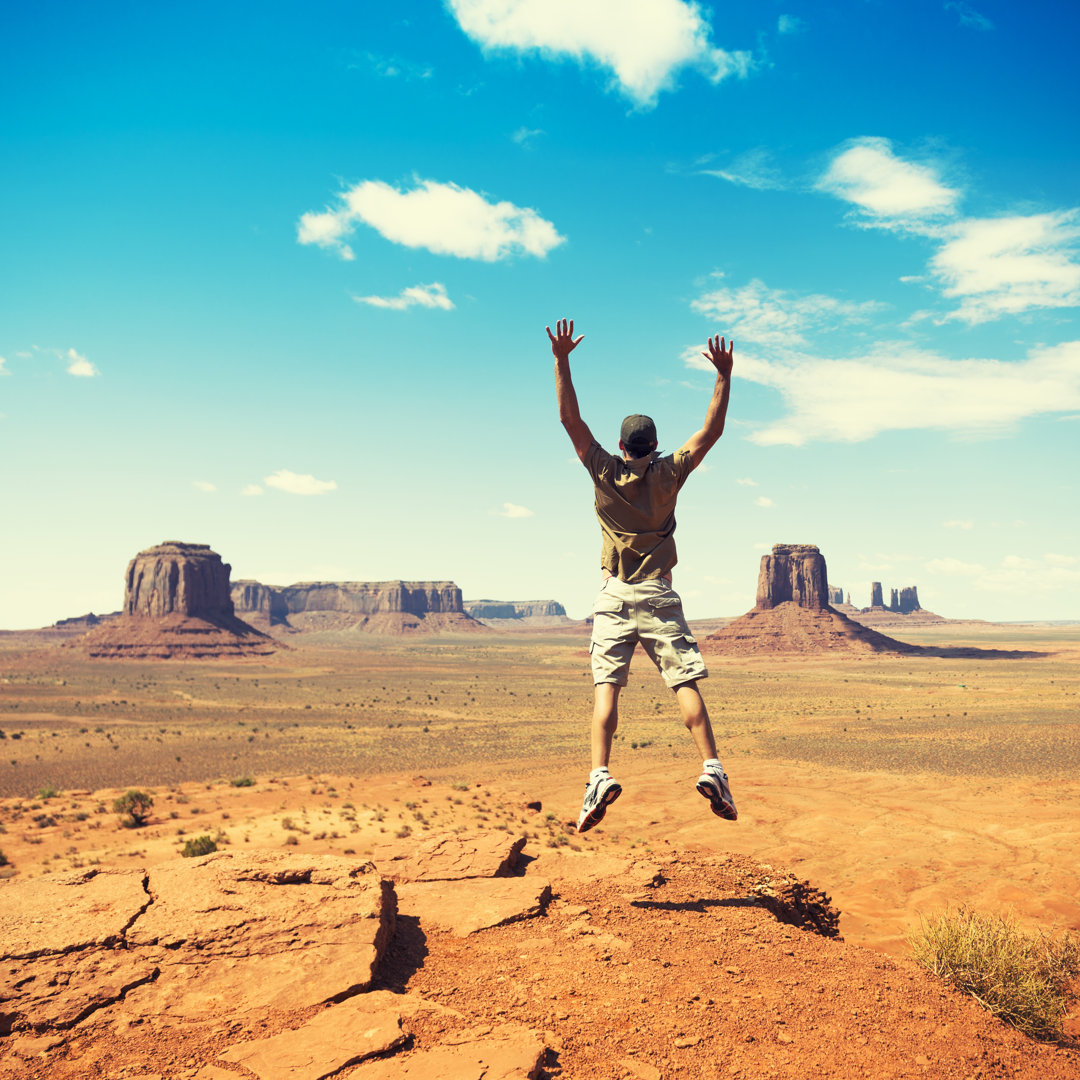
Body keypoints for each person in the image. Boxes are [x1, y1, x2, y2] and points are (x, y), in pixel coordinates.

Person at [546, 317, 738, 833]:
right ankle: (712, 768)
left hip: (613, 595)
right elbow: (712, 431)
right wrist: (723, 375)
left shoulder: (602, 469)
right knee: (683, 681)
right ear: (653, 446)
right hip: (658, 595)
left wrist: (562, 360)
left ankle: (600, 774)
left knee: (606, 688)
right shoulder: (671, 472)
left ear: (621, 445)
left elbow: (571, 421)